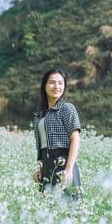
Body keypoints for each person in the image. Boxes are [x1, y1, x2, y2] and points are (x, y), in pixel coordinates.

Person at [32, 69, 81, 200]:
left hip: (63, 164)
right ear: (44, 85)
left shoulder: (67, 108)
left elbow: (75, 138)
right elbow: (42, 145)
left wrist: (69, 168)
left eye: (60, 83)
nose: (57, 87)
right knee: (47, 212)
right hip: (46, 166)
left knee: (70, 208)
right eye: (52, 83)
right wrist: (40, 168)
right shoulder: (40, 115)